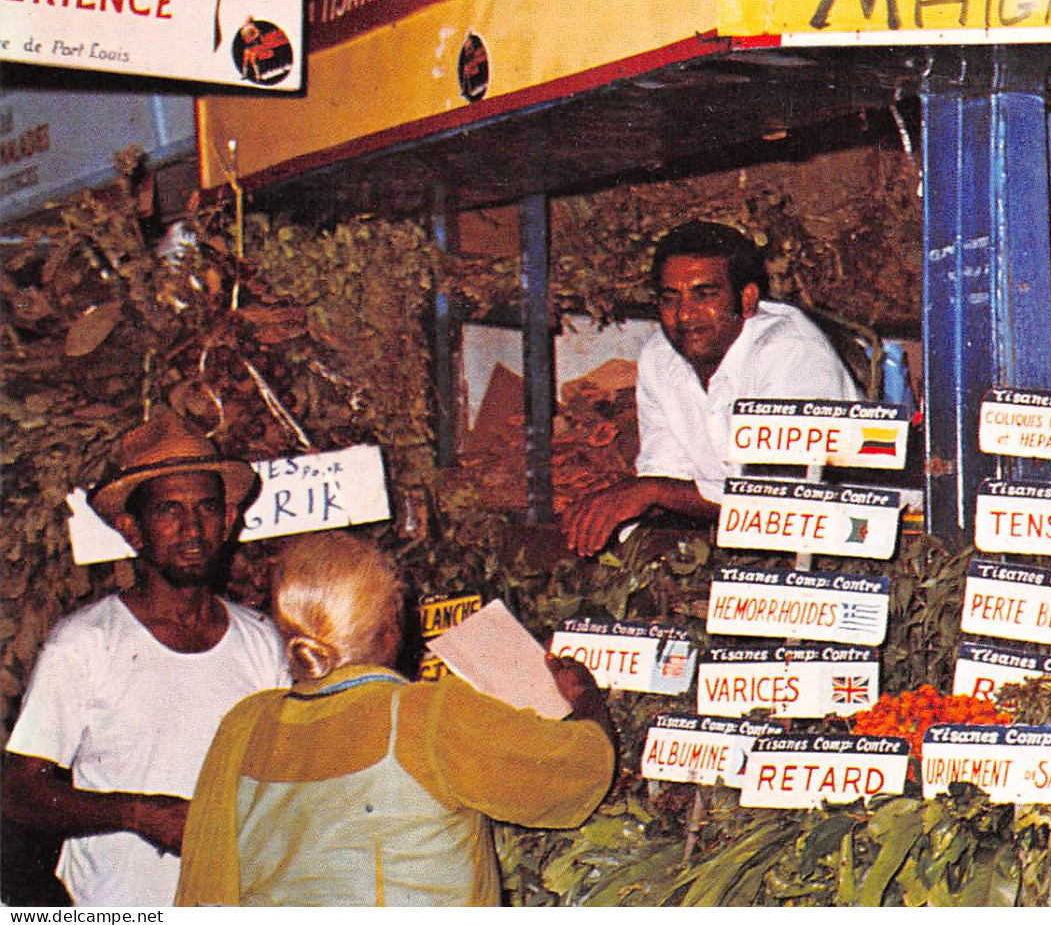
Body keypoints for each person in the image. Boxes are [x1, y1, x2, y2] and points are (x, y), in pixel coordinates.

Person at [175, 532, 617, 906]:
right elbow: (577, 771)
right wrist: (586, 700)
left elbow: (205, 885)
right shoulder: (427, 715)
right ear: (391, 622)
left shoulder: (245, 723)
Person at [2, 412, 289, 906]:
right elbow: (18, 794)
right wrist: (138, 815)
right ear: (132, 530)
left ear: (226, 520)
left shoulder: (264, 642)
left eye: (205, 508)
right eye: (169, 511)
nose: (192, 528)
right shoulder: (85, 644)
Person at [564, 221, 859, 555]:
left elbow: (778, 506)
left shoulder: (790, 350)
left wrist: (648, 492)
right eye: (670, 299)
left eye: (704, 295)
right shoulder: (660, 355)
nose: (685, 315)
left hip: (850, 545)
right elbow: (666, 474)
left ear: (747, 299)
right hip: (750, 546)